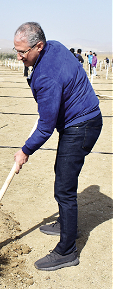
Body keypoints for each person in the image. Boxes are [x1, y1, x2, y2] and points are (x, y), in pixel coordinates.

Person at [13, 22, 102, 271]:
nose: (18, 56)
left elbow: (45, 128)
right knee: (62, 176)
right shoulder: (54, 47)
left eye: (22, 52)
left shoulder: (46, 77)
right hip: (82, 120)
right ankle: (66, 223)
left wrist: (24, 151)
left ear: (39, 46)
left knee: (64, 188)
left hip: (81, 126)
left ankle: (67, 251)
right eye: (16, 50)